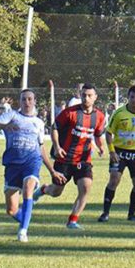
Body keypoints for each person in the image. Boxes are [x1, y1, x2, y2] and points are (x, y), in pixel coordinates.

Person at [0, 89, 65, 243]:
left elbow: (41, 148)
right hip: (12, 163)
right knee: (12, 210)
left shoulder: (38, 123)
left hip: (31, 161)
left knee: (28, 187)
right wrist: (4, 126)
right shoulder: (12, 115)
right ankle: (31, 209)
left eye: (30, 99)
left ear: (34, 101)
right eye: (24, 99)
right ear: (20, 101)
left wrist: (52, 171)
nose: (27, 102)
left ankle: (23, 232)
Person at [33, 84, 105, 230]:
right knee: (56, 192)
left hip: (83, 160)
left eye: (90, 95)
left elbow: (97, 135)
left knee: (85, 187)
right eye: (84, 95)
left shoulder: (99, 116)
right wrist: (57, 147)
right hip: (64, 159)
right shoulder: (69, 113)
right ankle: (44, 190)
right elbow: (55, 128)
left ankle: (72, 221)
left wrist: (101, 147)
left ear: (95, 97)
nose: (86, 98)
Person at [98, 85, 135, 223]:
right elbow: (109, 133)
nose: (134, 100)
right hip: (119, 152)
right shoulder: (119, 113)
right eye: (132, 97)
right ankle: (105, 213)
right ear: (128, 98)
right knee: (114, 180)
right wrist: (111, 151)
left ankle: (132, 214)